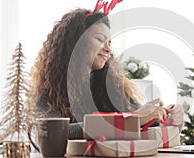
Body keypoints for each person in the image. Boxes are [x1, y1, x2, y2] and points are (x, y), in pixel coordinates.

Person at [29, 8, 184, 139]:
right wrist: (130, 120)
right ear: (76, 43)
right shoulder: (47, 92)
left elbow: (145, 121)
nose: (108, 49)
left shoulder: (114, 87)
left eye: (110, 42)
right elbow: (53, 132)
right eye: (100, 39)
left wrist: (168, 117)